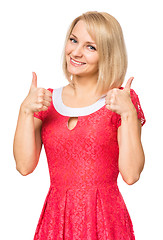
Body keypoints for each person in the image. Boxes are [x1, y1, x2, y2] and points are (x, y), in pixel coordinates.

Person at [13, 11, 146, 240]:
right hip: (57, 220)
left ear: (108, 54)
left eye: (90, 47)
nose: (75, 52)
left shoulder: (121, 101)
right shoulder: (45, 100)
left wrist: (127, 114)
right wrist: (25, 112)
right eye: (73, 40)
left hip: (105, 219)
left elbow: (131, 175)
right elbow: (24, 166)